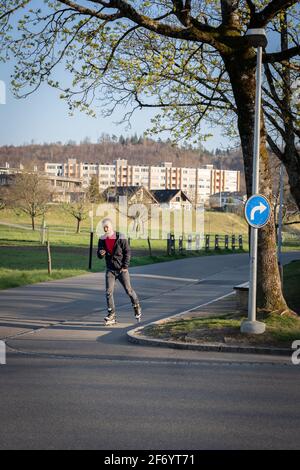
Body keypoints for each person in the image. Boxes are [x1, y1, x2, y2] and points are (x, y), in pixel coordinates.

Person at [97, 218, 142, 325]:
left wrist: (125, 266)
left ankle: (137, 306)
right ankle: (111, 314)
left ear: (111, 226)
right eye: (104, 227)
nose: (105, 229)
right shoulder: (102, 239)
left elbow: (127, 252)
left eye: (107, 226)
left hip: (121, 269)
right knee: (108, 292)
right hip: (110, 269)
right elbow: (99, 254)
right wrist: (100, 253)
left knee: (129, 290)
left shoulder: (120, 237)